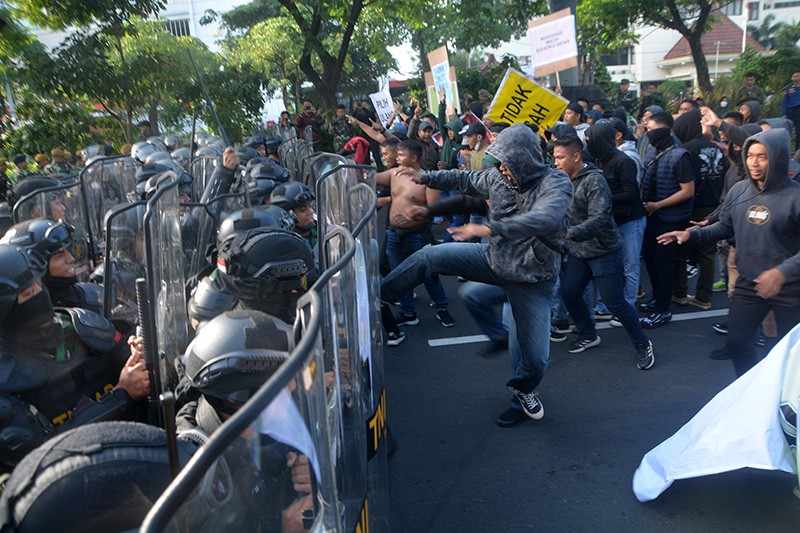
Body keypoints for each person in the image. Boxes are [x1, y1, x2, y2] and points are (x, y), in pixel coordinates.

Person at [381, 123, 572, 426]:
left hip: (533, 280)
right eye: (500, 165)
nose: (503, 171)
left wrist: (489, 228)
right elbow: (464, 179)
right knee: (432, 256)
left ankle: (522, 390)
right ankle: (380, 296)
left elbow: (543, 219)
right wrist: (425, 176)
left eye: (508, 166)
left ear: (525, 160)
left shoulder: (556, 183)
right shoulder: (496, 177)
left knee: (534, 358)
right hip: (495, 260)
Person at [657, 128, 800, 377]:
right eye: (750, 155)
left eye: (762, 156)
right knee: (737, 343)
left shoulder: (795, 196)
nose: (753, 163)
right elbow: (724, 226)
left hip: (790, 289)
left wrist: (781, 271)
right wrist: (690, 234)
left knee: (787, 354)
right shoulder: (740, 189)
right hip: (750, 283)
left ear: (777, 158)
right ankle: (750, 391)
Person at [0, 243, 149, 468]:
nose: (40, 295)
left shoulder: (81, 326)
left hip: (134, 456)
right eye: (28, 293)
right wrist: (120, 394)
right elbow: (41, 456)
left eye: (40, 285)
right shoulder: (6, 381)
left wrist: (139, 355)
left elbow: (133, 361)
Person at [176, 309, 313, 531]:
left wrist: (297, 469)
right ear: (246, 398)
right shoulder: (200, 487)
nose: (294, 387)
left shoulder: (247, 427)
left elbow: (258, 472)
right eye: (282, 382)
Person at [552, 136, 655, 368]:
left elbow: (599, 219)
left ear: (576, 157)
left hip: (603, 250)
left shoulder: (595, 181)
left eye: (560, 157)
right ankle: (589, 335)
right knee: (569, 293)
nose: (555, 162)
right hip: (579, 252)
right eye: (554, 157)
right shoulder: (560, 179)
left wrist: (569, 233)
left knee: (615, 302)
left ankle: (643, 344)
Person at [375, 139, 453, 328]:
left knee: (428, 273)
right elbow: (371, 177)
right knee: (399, 275)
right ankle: (408, 312)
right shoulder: (394, 173)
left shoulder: (427, 180)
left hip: (417, 236)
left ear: (414, 158)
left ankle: (441, 308)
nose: (397, 157)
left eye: (401, 155)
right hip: (394, 235)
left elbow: (434, 210)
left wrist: (417, 213)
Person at [638, 111, 695, 328]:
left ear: (664, 129)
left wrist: (658, 205)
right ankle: (657, 299)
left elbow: (687, 191)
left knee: (664, 264)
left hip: (670, 219)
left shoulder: (680, 155)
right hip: (652, 216)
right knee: (651, 261)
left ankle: (663, 309)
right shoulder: (653, 151)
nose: (648, 134)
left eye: (651, 129)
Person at [670, 110, 728, 311]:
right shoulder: (716, 148)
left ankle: (680, 293)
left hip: (691, 208)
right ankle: (704, 297)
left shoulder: (686, 150)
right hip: (714, 206)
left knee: (681, 249)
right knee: (707, 253)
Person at [585, 121, 647, 311]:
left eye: (591, 140)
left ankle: (627, 305)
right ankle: (607, 306)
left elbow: (631, 193)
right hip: (612, 220)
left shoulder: (624, 161)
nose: (588, 145)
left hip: (630, 220)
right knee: (611, 267)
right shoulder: (598, 160)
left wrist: (603, 198)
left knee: (630, 266)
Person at [1, 219, 102, 314]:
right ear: (35, 266)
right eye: (59, 256)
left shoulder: (89, 296)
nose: (71, 259)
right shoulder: (34, 317)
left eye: (69, 251)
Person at [270, 182, 317, 251]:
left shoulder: (321, 230)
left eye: (310, 206)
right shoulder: (286, 245)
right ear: (287, 215)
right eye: (303, 210)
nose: (311, 211)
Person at [782, 71, 800, 150]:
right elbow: (785, 101)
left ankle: (798, 150)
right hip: (790, 111)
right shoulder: (789, 88)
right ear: (792, 78)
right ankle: (787, 149)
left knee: (799, 130)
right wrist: (784, 113)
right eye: (794, 76)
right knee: (787, 130)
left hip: (799, 110)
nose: (796, 78)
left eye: (798, 76)